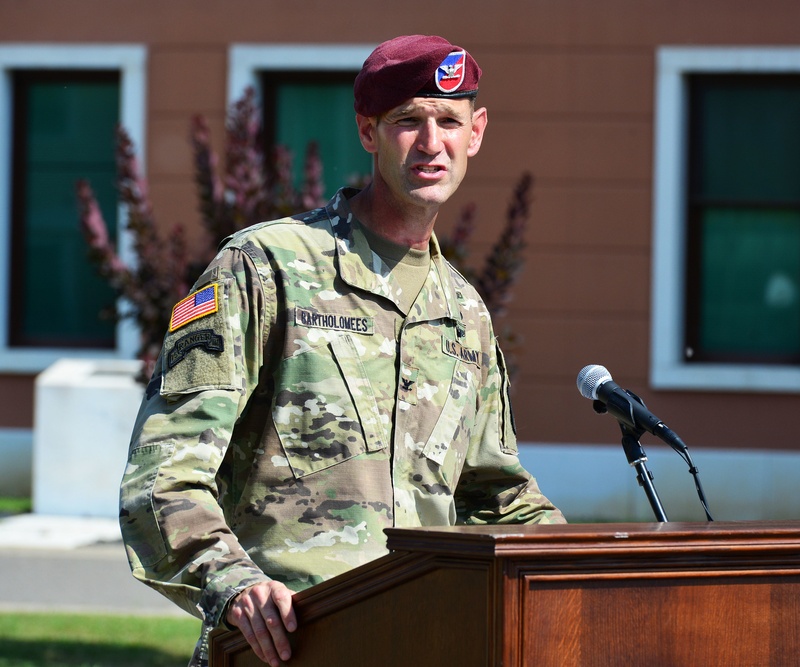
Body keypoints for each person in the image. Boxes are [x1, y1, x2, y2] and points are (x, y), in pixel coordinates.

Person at [119, 34, 565, 667]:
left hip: (426, 643)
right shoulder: (264, 267)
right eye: (408, 121)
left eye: (448, 121)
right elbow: (163, 476)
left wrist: (590, 574)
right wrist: (234, 585)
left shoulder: (465, 313)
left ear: (478, 131)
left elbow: (496, 499)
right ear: (367, 132)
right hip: (290, 647)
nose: (432, 143)